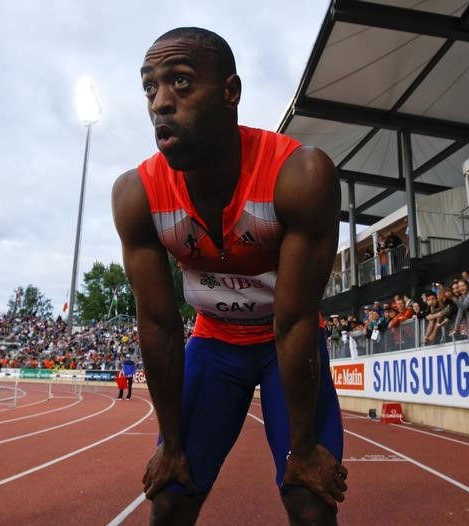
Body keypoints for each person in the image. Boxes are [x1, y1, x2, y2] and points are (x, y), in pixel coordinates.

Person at [111, 27, 346, 525]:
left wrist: (303, 450)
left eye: (180, 82)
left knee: (310, 500)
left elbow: (296, 320)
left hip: (284, 340)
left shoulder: (300, 175)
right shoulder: (137, 194)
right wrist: (171, 443)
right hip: (214, 343)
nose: (160, 103)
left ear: (230, 92)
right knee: (171, 494)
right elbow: (157, 325)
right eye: (149, 88)